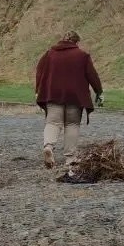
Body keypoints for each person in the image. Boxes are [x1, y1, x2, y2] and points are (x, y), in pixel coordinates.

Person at [35, 31, 103, 173]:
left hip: (53, 94)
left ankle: (48, 146)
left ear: (63, 40)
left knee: (53, 122)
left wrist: (38, 89)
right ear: (76, 42)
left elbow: (39, 72)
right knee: (72, 124)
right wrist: (99, 91)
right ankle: (70, 159)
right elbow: (92, 75)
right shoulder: (82, 55)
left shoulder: (50, 54)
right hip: (75, 96)